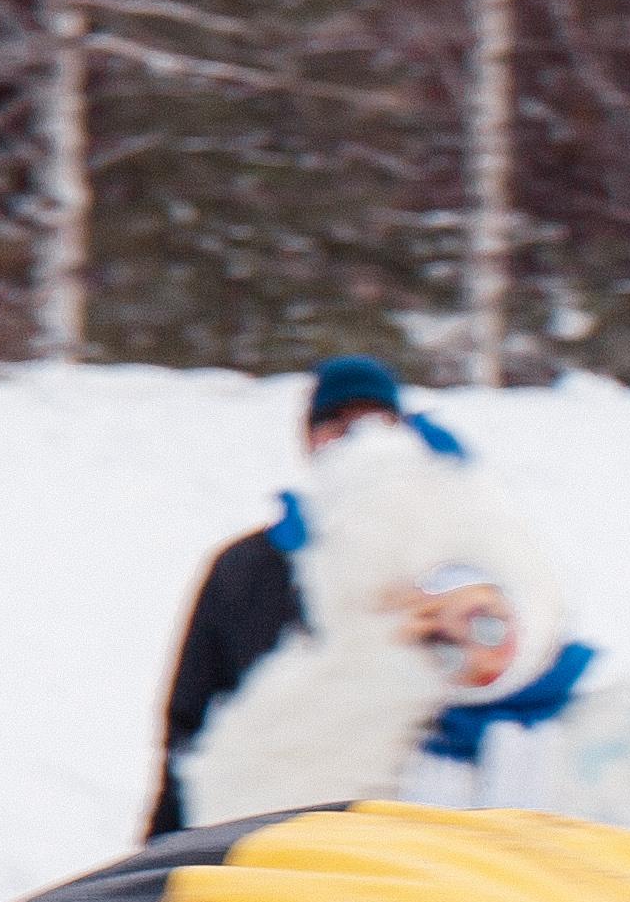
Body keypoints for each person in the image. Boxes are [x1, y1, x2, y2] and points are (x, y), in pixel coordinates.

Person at [180, 428, 630, 888]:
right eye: (432, 631)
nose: (468, 645)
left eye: (484, 615)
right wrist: (373, 681)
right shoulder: (351, 751)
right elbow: (238, 838)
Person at [149, 357, 454, 838]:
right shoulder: (245, 567)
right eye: (336, 423)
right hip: (268, 830)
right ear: (309, 439)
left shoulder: (440, 561)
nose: (357, 437)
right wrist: (163, 849)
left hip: (401, 838)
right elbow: (192, 720)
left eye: (376, 420)